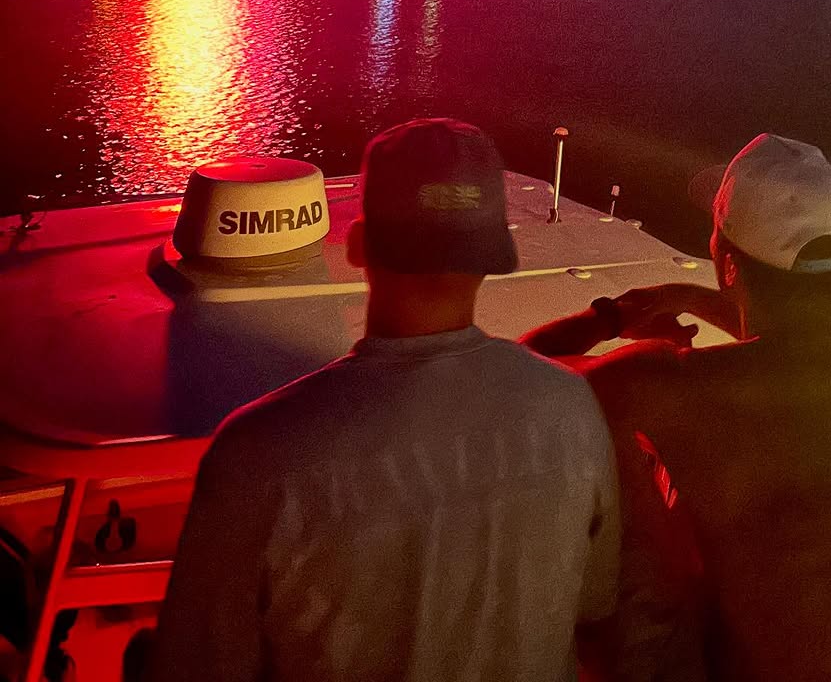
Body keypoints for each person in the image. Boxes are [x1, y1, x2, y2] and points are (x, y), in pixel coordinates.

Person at [152, 118, 619, 682]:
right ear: (496, 254)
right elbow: (595, 599)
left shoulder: (258, 451)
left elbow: (197, 663)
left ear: (357, 245)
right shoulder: (571, 408)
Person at [521, 133, 831, 682]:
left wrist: (612, 316)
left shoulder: (673, 388)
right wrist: (685, 297)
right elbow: (792, 347)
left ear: (726, 261)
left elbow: (520, 373)